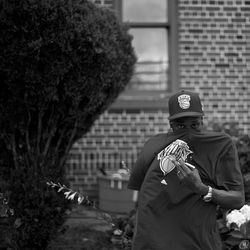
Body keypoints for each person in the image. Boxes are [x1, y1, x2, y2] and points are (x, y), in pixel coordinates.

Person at [128, 90, 245, 250]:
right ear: (171, 125)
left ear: (202, 121)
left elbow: (238, 199)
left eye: (194, 125)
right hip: (157, 241)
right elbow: (141, 196)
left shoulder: (219, 146)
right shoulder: (153, 146)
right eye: (181, 126)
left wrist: (201, 188)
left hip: (198, 241)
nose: (188, 132)